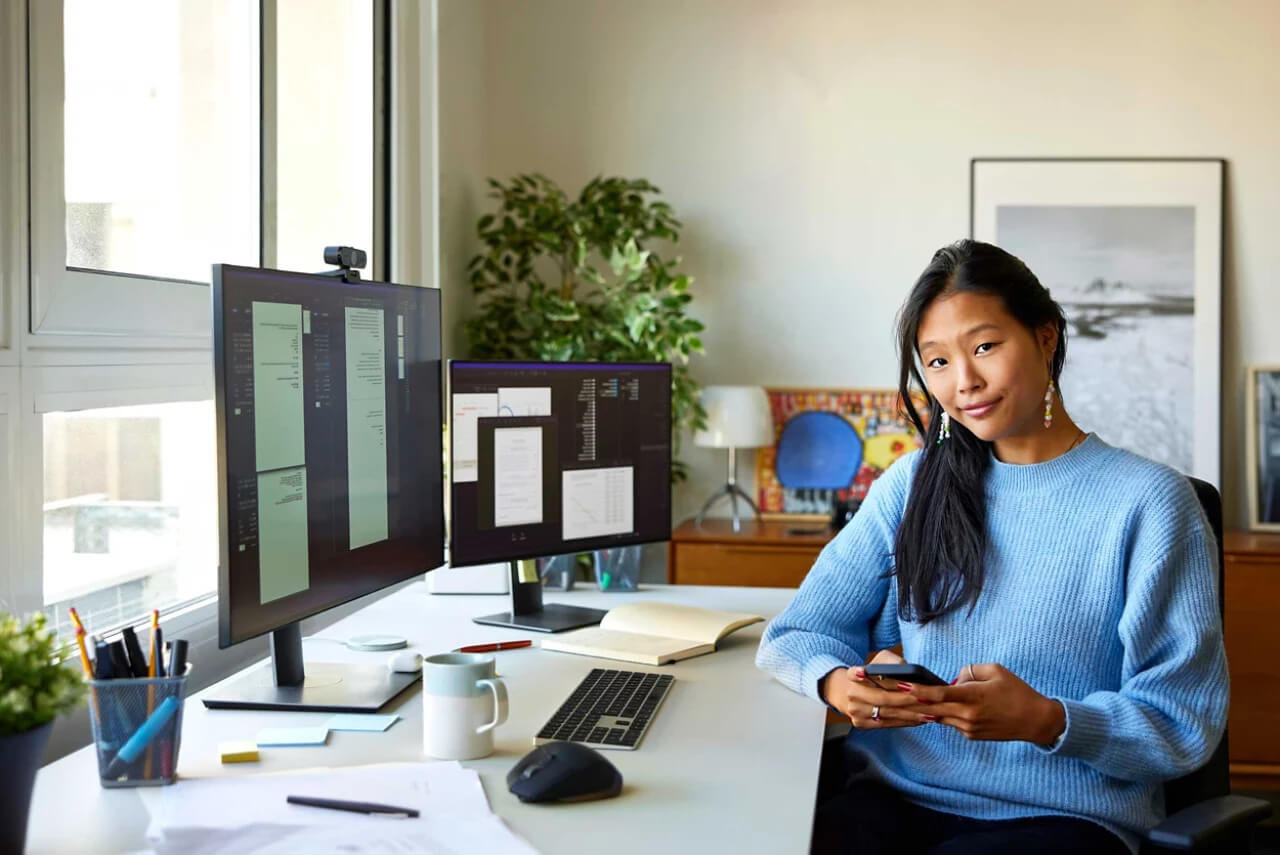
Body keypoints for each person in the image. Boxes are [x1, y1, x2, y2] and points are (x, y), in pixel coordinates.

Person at [756, 240, 1227, 855]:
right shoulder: (912, 485)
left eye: (984, 347)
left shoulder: (1151, 505)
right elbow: (796, 635)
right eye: (938, 362)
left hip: (1066, 821)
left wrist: (1045, 719)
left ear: (1046, 337)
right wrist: (836, 685)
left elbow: (1181, 722)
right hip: (895, 800)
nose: (965, 382)